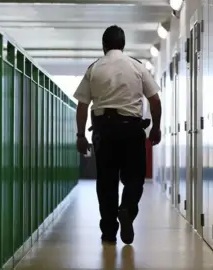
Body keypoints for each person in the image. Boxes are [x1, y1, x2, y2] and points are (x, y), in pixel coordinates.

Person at [73, 25, 162, 245]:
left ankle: (109, 232)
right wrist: (156, 128)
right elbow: (155, 100)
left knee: (106, 182)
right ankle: (127, 209)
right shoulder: (137, 67)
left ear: (104, 46)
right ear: (123, 45)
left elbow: (82, 105)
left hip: (104, 131)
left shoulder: (94, 68)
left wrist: (81, 135)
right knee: (135, 179)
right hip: (131, 130)